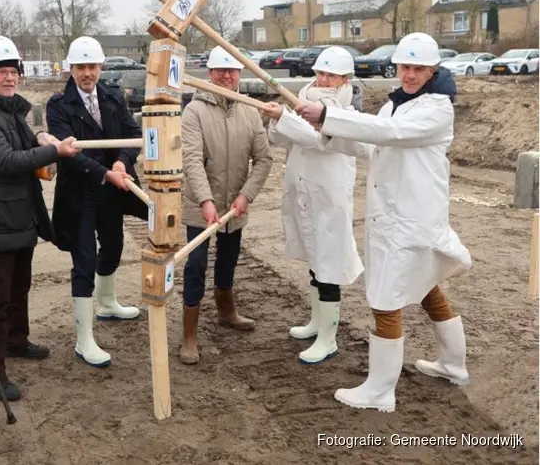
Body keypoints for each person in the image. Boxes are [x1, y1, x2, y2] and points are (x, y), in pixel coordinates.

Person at [295, 32, 472, 412]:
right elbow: (372, 144)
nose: (409, 74)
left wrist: (328, 114)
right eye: (404, 67)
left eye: (417, 68)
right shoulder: (398, 103)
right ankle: (454, 365)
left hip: (411, 219)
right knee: (427, 289)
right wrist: (327, 129)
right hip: (398, 216)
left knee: (386, 299)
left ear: (433, 69)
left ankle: (380, 390)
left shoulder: (437, 108)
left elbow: (390, 134)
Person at [0, 35, 80, 401]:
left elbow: (26, 144)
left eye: (13, 72)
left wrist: (40, 135)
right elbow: (9, 161)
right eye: (1, 72)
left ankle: (16, 340)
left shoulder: (9, 110)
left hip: (19, 217)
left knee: (19, 288)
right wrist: (54, 151)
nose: (9, 78)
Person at [46, 35, 148, 368]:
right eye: (81, 67)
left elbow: (133, 133)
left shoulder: (113, 95)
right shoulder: (58, 106)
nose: (87, 73)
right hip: (80, 192)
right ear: (71, 68)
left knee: (114, 245)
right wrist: (106, 173)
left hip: (112, 186)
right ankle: (84, 338)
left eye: (92, 66)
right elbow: (70, 154)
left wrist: (121, 162)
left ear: (101, 66)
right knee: (84, 258)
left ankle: (107, 303)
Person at [261, 46, 366, 365]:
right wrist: (274, 120)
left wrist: (285, 118)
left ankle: (328, 337)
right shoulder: (303, 97)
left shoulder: (347, 109)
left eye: (330, 75)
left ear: (345, 80)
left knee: (329, 261)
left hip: (328, 194)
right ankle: (316, 321)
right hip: (303, 189)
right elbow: (280, 140)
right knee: (313, 255)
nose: (323, 79)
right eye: (320, 73)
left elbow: (317, 138)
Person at [179, 46, 273, 365]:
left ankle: (226, 311)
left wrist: (246, 195)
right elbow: (191, 159)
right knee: (195, 265)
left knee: (229, 259)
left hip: (235, 205)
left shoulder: (249, 110)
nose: (226, 76)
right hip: (199, 204)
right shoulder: (194, 111)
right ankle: (189, 335)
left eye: (231, 71)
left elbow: (263, 159)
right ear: (209, 74)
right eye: (220, 70)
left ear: (239, 75)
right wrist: (206, 201)